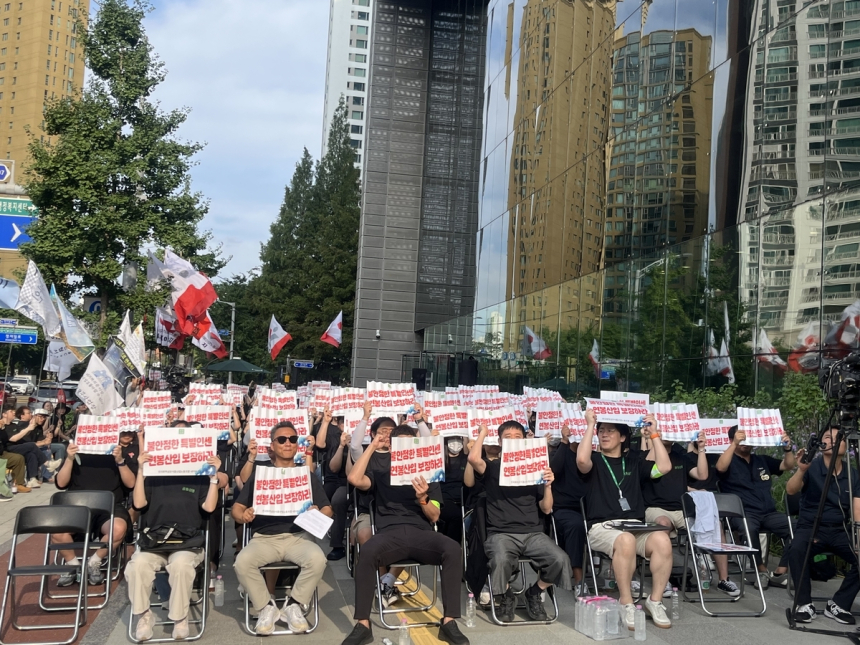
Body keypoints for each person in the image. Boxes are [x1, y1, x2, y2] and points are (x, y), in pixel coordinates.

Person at [342, 424, 468, 645]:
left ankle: (448, 621)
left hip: (421, 534)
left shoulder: (429, 476)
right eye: (398, 443)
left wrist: (423, 498)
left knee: (452, 549)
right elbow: (354, 478)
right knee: (368, 550)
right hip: (389, 534)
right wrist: (373, 445)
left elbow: (435, 516)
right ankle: (363, 624)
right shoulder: (381, 472)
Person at [576, 409, 674, 630]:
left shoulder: (633, 463)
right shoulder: (594, 459)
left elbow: (665, 468)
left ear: (622, 437)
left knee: (662, 539)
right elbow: (581, 460)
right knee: (625, 540)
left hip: (634, 526)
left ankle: (655, 601)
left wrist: (654, 434)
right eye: (601, 430)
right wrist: (590, 425)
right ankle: (626, 602)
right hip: (603, 527)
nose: (604, 434)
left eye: (611, 431)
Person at [233, 421, 331, 636]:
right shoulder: (260, 475)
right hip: (264, 538)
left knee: (317, 559)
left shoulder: (307, 475)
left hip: (298, 537)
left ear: (297, 444)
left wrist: (317, 513)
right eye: (282, 439)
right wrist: (244, 515)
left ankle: (294, 605)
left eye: (293, 439)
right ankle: (265, 607)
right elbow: (237, 508)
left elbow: (328, 509)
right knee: (242, 562)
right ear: (272, 445)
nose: (288, 443)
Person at [468, 421, 571, 622]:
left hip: (533, 532)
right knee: (500, 560)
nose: (514, 441)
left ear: (525, 441)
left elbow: (547, 508)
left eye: (518, 437)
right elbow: (473, 457)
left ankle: (534, 592)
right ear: (499, 442)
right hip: (501, 533)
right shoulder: (493, 467)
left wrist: (548, 485)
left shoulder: (535, 468)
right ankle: (506, 596)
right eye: (508, 438)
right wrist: (483, 433)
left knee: (560, 559)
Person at [126, 449, 221, 641]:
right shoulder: (154, 477)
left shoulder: (199, 477)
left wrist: (213, 477)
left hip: (187, 543)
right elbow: (138, 504)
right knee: (136, 566)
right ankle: (144, 616)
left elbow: (209, 508)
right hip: (155, 542)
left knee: (181, 566)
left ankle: (180, 618)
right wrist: (141, 470)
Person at [787, 426, 860, 624]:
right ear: (821, 444)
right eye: (828, 437)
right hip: (810, 526)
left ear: (846, 445)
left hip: (839, 530)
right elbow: (791, 490)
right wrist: (801, 470)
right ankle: (804, 604)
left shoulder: (852, 474)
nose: (833, 441)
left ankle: (839, 604)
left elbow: (857, 510)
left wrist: (858, 539)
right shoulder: (812, 466)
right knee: (796, 549)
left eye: (839, 438)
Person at [716, 425, 795, 589]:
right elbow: (720, 468)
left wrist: (787, 449)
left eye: (747, 438)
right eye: (740, 438)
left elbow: (787, 466)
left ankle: (780, 572)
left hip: (768, 512)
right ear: (732, 440)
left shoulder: (762, 460)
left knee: (798, 527)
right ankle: (761, 570)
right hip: (742, 513)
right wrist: (733, 444)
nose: (745, 442)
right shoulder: (727, 459)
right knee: (749, 529)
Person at [53, 441, 135, 586]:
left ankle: (94, 561)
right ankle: (73, 564)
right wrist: (69, 458)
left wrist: (120, 461)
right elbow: (61, 483)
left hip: (109, 506)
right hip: (77, 506)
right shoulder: (76, 450)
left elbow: (131, 484)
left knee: (118, 529)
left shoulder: (118, 452)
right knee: (58, 531)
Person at [641, 431, 710, 597]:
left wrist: (701, 449)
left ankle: (722, 578)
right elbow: (649, 467)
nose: (668, 433)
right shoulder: (644, 457)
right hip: (655, 508)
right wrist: (652, 436)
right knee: (663, 524)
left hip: (680, 510)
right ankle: (662, 582)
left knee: (713, 524)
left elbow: (702, 475)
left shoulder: (682, 458)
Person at [687, 435, 740, 596]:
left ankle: (724, 579)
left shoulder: (717, 458)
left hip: (712, 504)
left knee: (718, 527)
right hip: (687, 502)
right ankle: (701, 562)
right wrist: (694, 491)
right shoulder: (685, 457)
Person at [550, 423, 587, 594]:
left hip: (590, 508)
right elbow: (553, 470)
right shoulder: (561, 453)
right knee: (576, 526)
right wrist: (564, 442)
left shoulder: (592, 456)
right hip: (566, 508)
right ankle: (579, 579)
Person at [5, 405, 60, 487]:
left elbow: (33, 441)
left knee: (32, 454)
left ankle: (32, 479)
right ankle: (48, 464)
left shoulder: (14, 425)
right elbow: (13, 439)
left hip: (19, 447)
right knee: (32, 446)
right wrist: (30, 428)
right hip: (8, 448)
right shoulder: (14, 426)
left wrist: (46, 440)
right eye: (29, 413)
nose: (13, 413)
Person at [438, 436, 468, 544]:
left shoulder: (466, 458)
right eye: (452, 438)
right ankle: (453, 545)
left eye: (458, 439)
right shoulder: (439, 459)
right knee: (456, 516)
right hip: (444, 498)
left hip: (464, 498)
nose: (455, 442)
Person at [0, 422, 30, 493]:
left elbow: (5, 439)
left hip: (2, 453)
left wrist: (1, 429)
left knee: (18, 458)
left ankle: (19, 484)